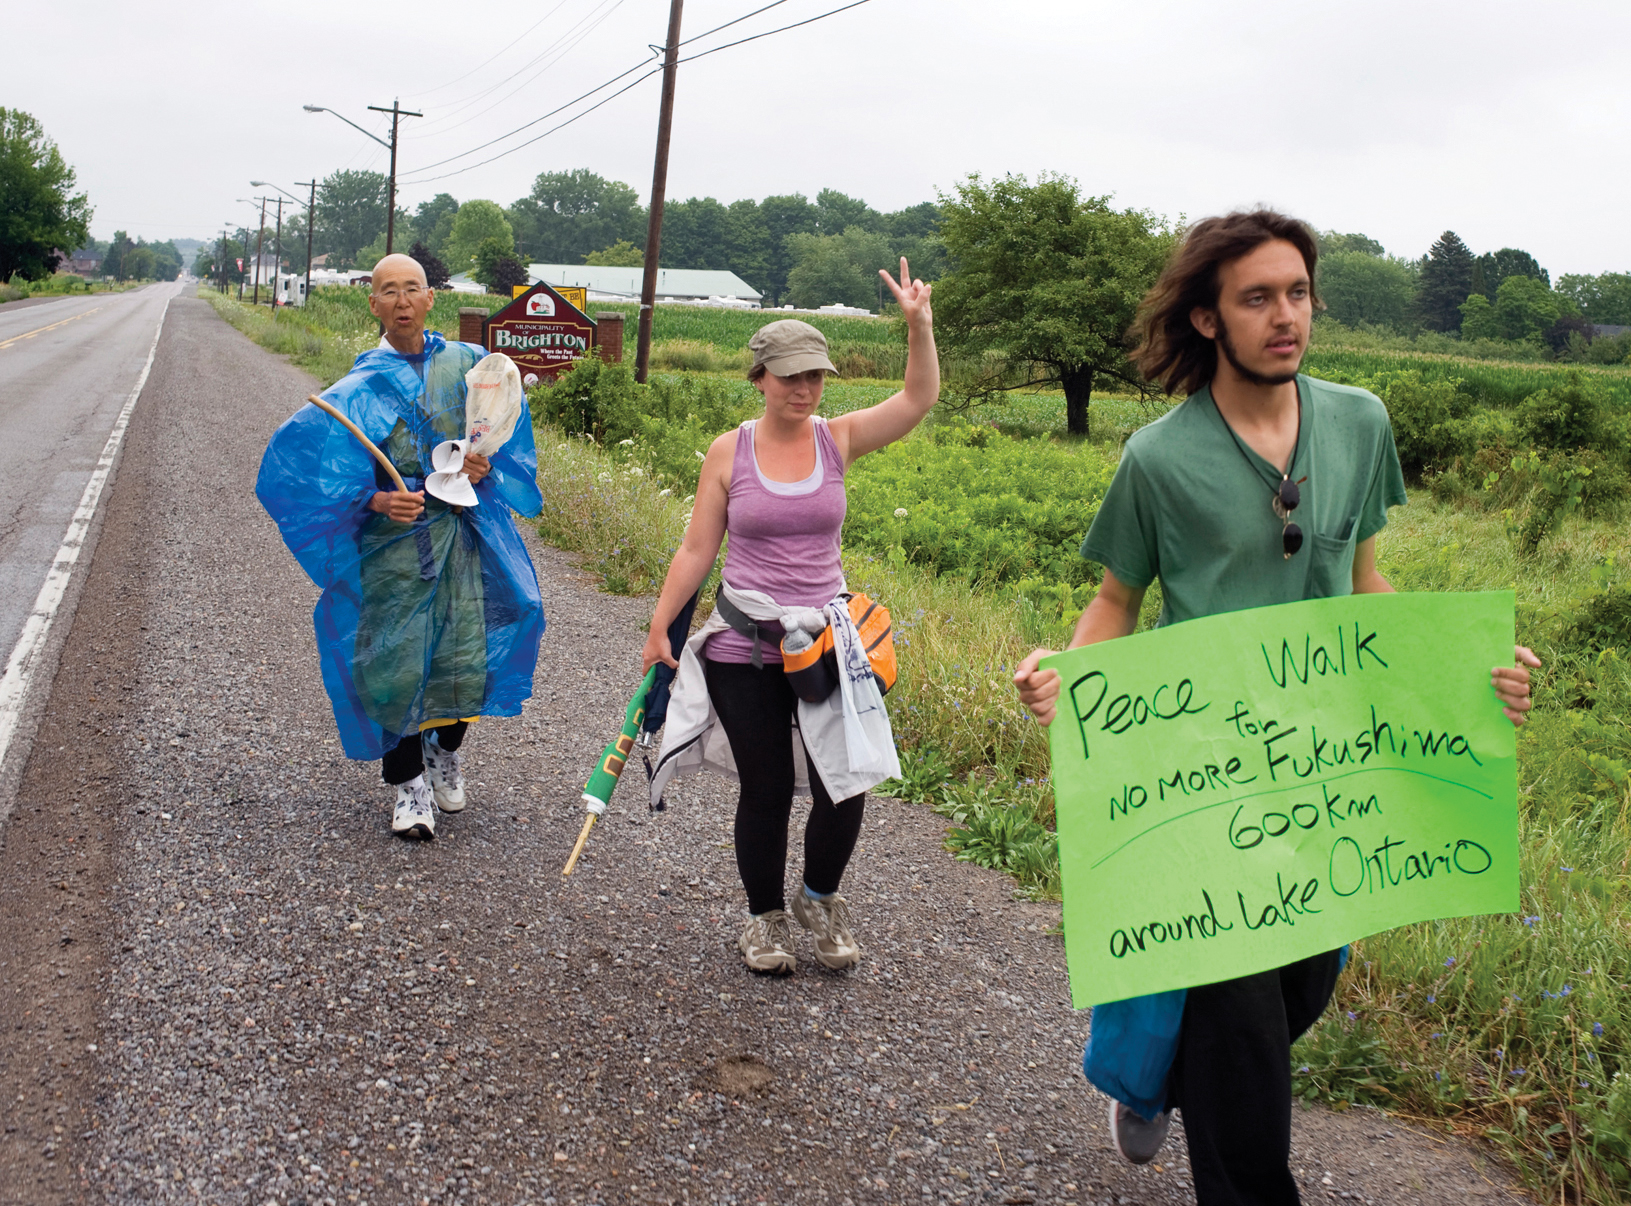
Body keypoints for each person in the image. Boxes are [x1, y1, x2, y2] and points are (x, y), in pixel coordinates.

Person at [1010, 211, 1539, 1204]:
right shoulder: (1157, 460)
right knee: (1242, 1029)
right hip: (1203, 772)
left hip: (1332, 770)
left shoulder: (1359, 421)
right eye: (1256, 297)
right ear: (1208, 319)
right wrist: (1066, 683)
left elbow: (1366, 582)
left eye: (1295, 292)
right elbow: (1116, 601)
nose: (1284, 315)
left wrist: (1466, 672)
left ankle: (1158, 1077)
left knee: (1301, 985)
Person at [642, 260, 937, 975]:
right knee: (767, 787)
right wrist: (660, 627)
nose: (804, 389)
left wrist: (918, 325)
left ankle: (818, 898)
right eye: (790, 376)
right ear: (760, 378)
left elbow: (917, 398)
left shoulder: (837, 439)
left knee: (848, 779)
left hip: (830, 643)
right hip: (745, 645)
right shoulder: (729, 451)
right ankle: (762, 919)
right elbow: (694, 548)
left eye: (815, 377)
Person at [257, 253, 545, 840]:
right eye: (389, 291)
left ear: (430, 297)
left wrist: (486, 464)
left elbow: (509, 432)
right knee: (396, 661)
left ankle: (444, 746)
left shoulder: (470, 367)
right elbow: (311, 476)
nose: (402, 301)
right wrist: (377, 502)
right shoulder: (357, 390)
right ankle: (408, 784)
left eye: (412, 289)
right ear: (374, 304)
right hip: (395, 547)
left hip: (467, 537)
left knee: (472, 651)